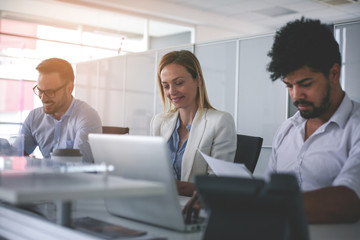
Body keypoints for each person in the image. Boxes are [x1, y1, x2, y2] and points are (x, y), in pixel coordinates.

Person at [184, 18, 360, 224]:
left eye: (305, 84)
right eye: (289, 85)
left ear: (334, 73)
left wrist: (248, 201)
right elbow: (268, 190)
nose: (296, 96)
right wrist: (226, 195)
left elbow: (349, 201)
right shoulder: (288, 129)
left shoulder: (355, 127)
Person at [150, 50, 237, 196]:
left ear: (198, 80)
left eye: (179, 83)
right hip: (159, 201)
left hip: (194, 208)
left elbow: (217, 185)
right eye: (166, 86)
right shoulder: (158, 122)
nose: (172, 92)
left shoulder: (220, 122)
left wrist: (177, 187)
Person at [21, 58, 102, 163]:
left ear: (69, 88)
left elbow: (80, 166)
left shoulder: (87, 116)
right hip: (47, 178)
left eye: (50, 92)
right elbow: (15, 155)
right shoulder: (34, 118)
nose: (43, 98)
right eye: (40, 91)